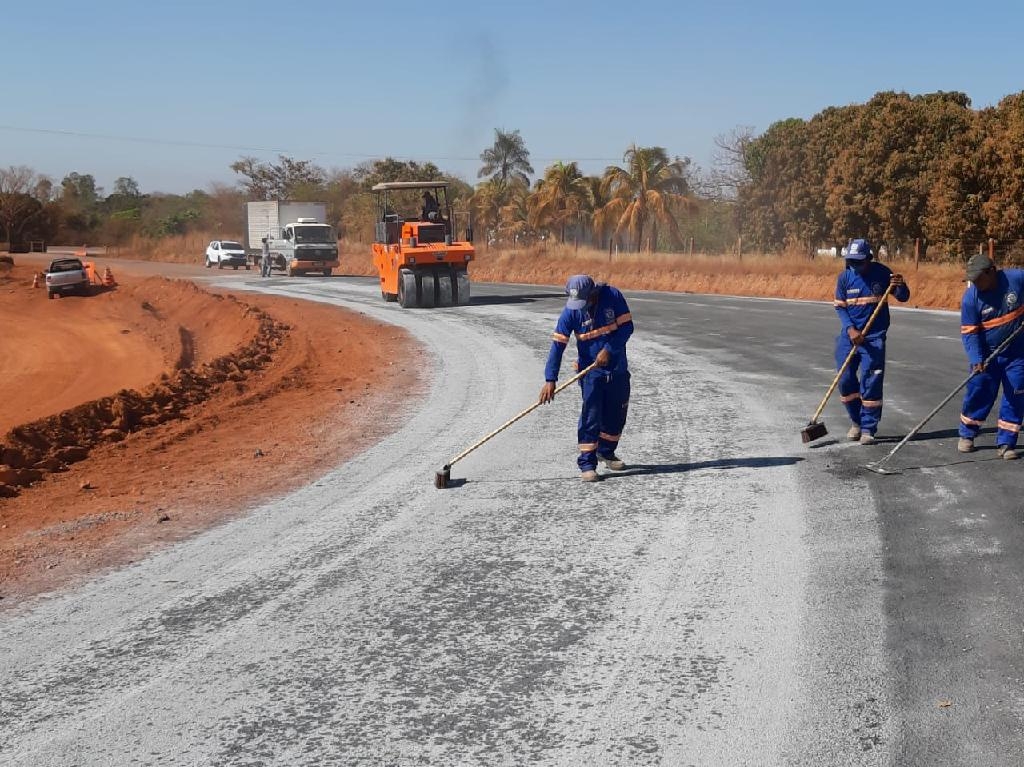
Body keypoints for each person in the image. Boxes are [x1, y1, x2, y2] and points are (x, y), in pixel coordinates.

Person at [539, 275, 634, 482]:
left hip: (617, 369)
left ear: (593, 293)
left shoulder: (613, 296)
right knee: (591, 416)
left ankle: (606, 452)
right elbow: (557, 347)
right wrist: (550, 379)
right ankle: (587, 463)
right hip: (591, 372)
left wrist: (609, 349)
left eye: (585, 301)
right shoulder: (570, 312)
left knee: (616, 415)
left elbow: (627, 327)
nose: (581, 307)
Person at [833, 238, 910, 444]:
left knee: (871, 381)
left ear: (869, 258)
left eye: (859, 262)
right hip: (849, 337)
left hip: (874, 338)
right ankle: (856, 421)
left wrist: (900, 285)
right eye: (851, 261)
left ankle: (868, 428)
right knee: (845, 379)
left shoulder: (883, 273)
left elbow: (903, 297)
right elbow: (840, 307)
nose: (855, 266)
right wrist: (850, 330)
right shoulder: (844, 278)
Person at [957, 253, 1024, 460]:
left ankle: (1006, 442)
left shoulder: (1017, 278)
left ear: (992, 271)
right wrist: (976, 358)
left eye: (978, 278)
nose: (975, 283)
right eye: (972, 280)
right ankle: (967, 434)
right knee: (979, 391)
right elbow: (969, 333)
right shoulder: (971, 298)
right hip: (987, 355)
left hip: (1017, 352)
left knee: (1016, 393)